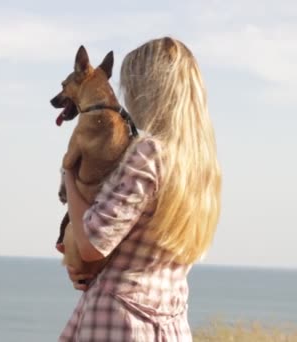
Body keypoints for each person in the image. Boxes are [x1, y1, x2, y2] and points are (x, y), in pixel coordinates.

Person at [58, 37, 222, 341]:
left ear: (151, 92)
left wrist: (69, 171)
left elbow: (93, 243)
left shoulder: (149, 152)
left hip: (118, 322)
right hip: (170, 324)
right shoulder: (201, 166)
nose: (128, 98)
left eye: (131, 88)